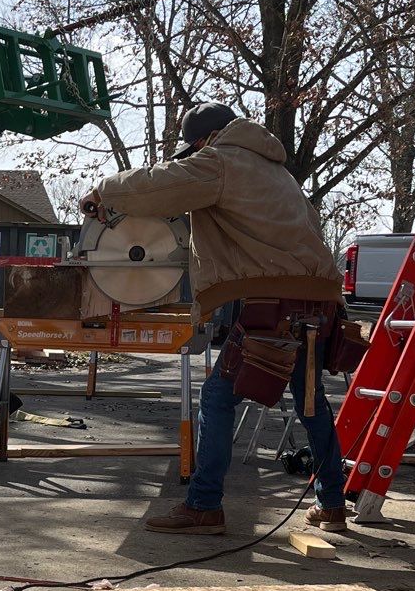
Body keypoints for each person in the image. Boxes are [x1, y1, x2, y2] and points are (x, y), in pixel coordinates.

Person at [80, 103, 349, 532]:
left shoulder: (222, 160)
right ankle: (332, 504)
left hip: (277, 304)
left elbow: (159, 184)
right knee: (311, 402)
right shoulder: (277, 171)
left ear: (205, 139)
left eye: (195, 148)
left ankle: (204, 505)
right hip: (320, 302)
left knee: (217, 397)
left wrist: (103, 192)